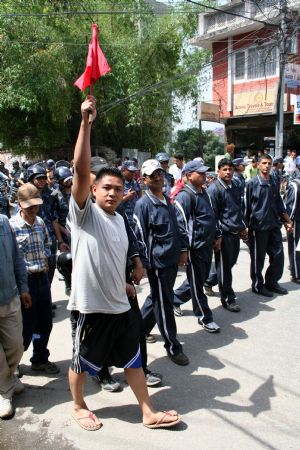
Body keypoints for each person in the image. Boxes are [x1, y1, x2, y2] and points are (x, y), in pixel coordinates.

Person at [68, 96, 180, 431]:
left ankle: (147, 411)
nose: (113, 193)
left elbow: (115, 256)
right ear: (93, 189)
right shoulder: (83, 214)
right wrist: (86, 125)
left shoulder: (118, 219)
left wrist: (127, 281)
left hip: (121, 303)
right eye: (106, 188)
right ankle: (77, 406)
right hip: (91, 307)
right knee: (82, 362)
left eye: (118, 188)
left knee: (133, 358)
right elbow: (79, 168)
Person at [134, 159, 189, 366]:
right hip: (158, 264)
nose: (158, 177)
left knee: (156, 299)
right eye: (152, 175)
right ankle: (173, 345)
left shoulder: (168, 199)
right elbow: (140, 237)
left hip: (172, 260)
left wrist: (183, 251)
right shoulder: (143, 205)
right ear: (144, 179)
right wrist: (144, 265)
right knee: (164, 303)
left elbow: (178, 227)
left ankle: (137, 331)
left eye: (160, 172)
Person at [9, 184, 59, 374]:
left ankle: (39, 358)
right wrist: (22, 287)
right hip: (24, 284)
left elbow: (47, 243)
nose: (33, 209)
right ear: (20, 204)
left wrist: (45, 262)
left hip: (42, 280)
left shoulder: (40, 222)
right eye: (30, 206)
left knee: (45, 322)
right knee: (24, 327)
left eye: (36, 205)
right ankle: (13, 365)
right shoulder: (11, 227)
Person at [173, 160, 221, 332]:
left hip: (206, 245)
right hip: (195, 248)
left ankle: (173, 300)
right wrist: (184, 251)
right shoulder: (185, 196)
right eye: (199, 173)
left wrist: (217, 235)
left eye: (204, 173)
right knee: (197, 284)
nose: (204, 175)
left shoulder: (205, 192)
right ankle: (204, 316)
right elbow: (181, 226)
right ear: (188, 176)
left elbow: (211, 216)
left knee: (197, 280)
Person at [245, 154, 293, 296]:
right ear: (258, 165)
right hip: (258, 228)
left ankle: (272, 282)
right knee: (258, 259)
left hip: (274, 225)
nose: (267, 166)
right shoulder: (251, 183)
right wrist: (246, 228)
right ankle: (258, 285)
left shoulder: (273, 181)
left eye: (269, 163)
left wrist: (287, 220)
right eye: (264, 163)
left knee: (278, 255)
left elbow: (278, 202)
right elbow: (246, 208)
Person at [0, 214, 31, 419]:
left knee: (16, 345)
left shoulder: (3, 222)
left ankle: (8, 378)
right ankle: (4, 391)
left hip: (9, 296)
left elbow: (17, 257)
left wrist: (23, 287)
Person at [207, 158, 248, 312]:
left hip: (235, 232)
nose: (228, 172)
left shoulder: (236, 185)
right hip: (223, 235)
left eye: (230, 169)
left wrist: (242, 226)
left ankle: (209, 281)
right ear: (218, 171)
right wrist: (218, 236)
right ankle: (228, 299)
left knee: (228, 264)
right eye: (225, 169)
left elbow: (238, 208)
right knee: (225, 268)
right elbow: (213, 216)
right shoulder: (214, 189)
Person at [285, 156, 300, 283]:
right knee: (295, 248)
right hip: (296, 221)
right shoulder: (296, 184)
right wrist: (289, 222)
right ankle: (296, 274)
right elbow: (292, 205)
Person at [117, 160, 141, 226]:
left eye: (134, 171)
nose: (133, 173)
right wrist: (127, 197)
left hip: (134, 217)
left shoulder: (135, 182)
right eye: (131, 171)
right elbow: (114, 201)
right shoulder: (118, 183)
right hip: (122, 217)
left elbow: (139, 194)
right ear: (123, 170)